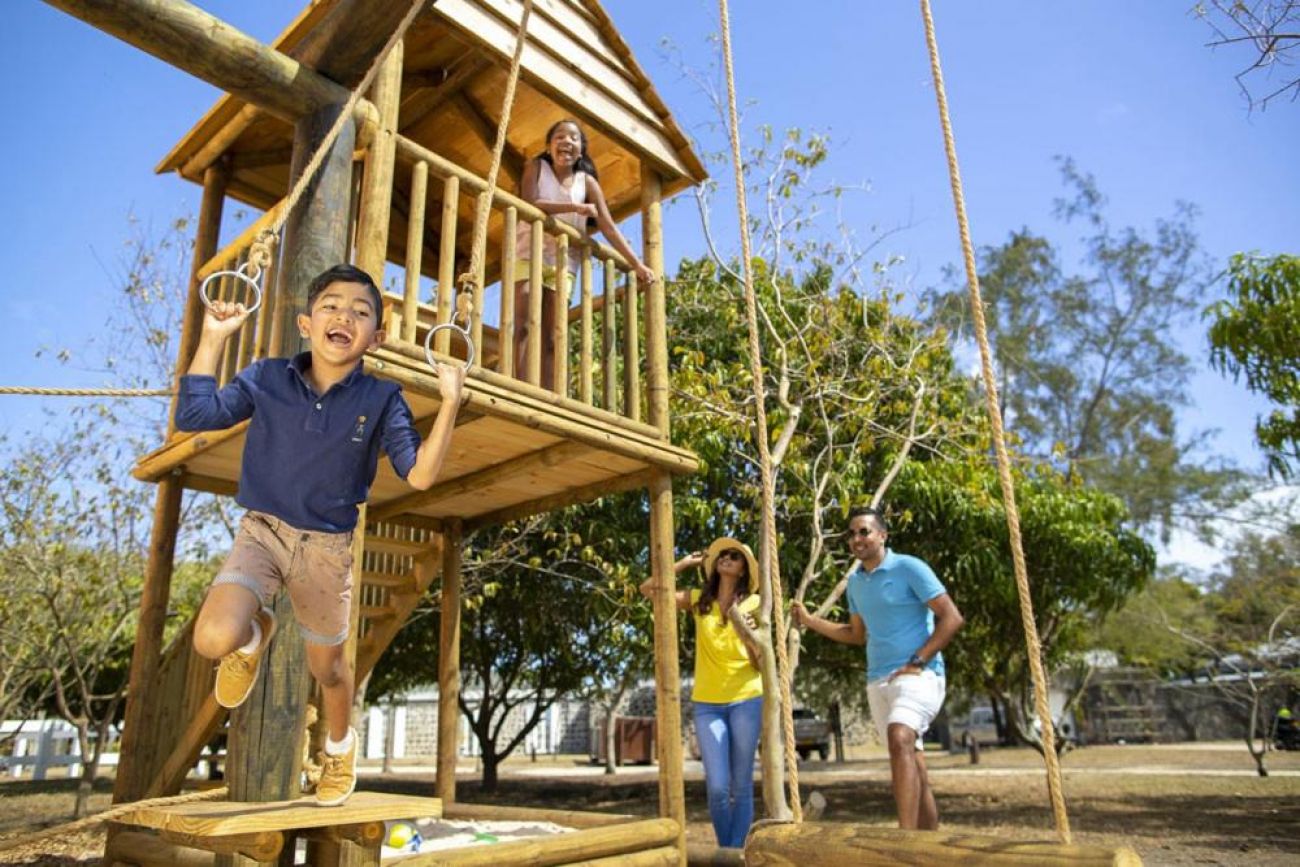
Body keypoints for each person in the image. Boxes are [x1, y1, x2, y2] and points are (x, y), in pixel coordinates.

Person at [176, 263, 466, 806]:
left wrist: (451, 403)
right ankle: (253, 633)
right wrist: (213, 336)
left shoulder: (382, 399)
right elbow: (195, 414)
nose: (344, 317)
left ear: (376, 338)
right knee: (212, 639)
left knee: (327, 669)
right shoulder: (266, 378)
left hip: (327, 551)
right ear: (306, 323)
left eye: (360, 312)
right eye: (331, 306)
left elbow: (421, 475)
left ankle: (338, 748)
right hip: (262, 533)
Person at [792, 506, 964, 830]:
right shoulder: (856, 583)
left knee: (899, 736)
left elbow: (952, 617)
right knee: (913, 761)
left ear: (883, 535)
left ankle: (903, 839)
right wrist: (810, 621)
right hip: (878, 681)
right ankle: (930, 846)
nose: (857, 539)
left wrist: (918, 660)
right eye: (851, 534)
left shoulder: (909, 567)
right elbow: (856, 635)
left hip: (920, 676)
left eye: (864, 531)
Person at [514, 118, 655, 390]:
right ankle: (517, 386)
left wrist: (637, 264)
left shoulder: (587, 183)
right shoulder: (536, 167)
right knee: (524, 324)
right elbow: (530, 202)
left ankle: (550, 393)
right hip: (529, 250)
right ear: (549, 146)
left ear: (581, 151)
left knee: (553, 334)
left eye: (573, 138)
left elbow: (608, 227)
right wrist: (575, 208)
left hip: (564, 260)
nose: (566, 141)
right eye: (559, 137)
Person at [640, 537, 762, 848]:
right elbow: (648, 589)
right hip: (707, 703)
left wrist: (748, 634)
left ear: (744, 569)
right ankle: (728, 852)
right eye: (722, 554)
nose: (726, 558)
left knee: (741, 785)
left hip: (747, 697)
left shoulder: (754, 603)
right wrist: (683, 564)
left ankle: (732, 855)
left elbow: (760, 661)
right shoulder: (699, 601)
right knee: (718, 787)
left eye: (734, 555)